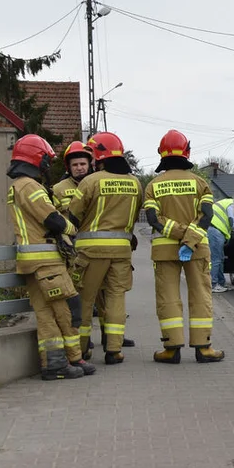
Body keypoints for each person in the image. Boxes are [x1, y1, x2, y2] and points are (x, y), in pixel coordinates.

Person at [5, 134, 95, 380]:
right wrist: (71, 228)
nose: (47, 164)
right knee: (67, 308)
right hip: (46, 262)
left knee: (47, 315)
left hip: (32, 263)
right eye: (46, 159)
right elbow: (51, 219)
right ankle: (74, 358)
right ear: (36, 157)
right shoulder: (29, 186)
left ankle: (55, 365)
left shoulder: (17, 186)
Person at [142, 129, 224, 363]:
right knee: (200, 295)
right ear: (187, 151)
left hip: (164, 251)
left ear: (161, 153)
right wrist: (188, 239)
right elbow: (206, 217)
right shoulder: (201, 184)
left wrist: (177, 234)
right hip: (197, 249)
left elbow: (153, 219)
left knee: (168, 297)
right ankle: (204, 348)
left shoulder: (153, 186)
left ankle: (171, 348)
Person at [67, 131, 142, 365]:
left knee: (86, 300)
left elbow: (73, 215)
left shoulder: (91, 181)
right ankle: (114, 350)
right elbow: (136, 215)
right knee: (116, 298)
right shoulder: (136, 182)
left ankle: (82, 351)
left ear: (98, 155)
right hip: (122, 251)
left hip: (90, 252)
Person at [51, 141, 95, 347]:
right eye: (75, 165)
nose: (79, 168)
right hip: (71, 250)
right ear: (69, 167)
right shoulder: (58, 190)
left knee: (101, 296)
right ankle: (80, 339)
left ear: (90, 165)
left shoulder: (96, 184)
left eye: (83, 164)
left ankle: (110, 337)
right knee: (76, 296)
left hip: (94, 249)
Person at [208, 197, 234, 292]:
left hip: (215, 230)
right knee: (216, 259)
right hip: (216, 231)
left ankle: (221, 283)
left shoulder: (227, 203)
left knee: (219, 258)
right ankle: (213, 284)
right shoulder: (232, 205)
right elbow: (233, 224)